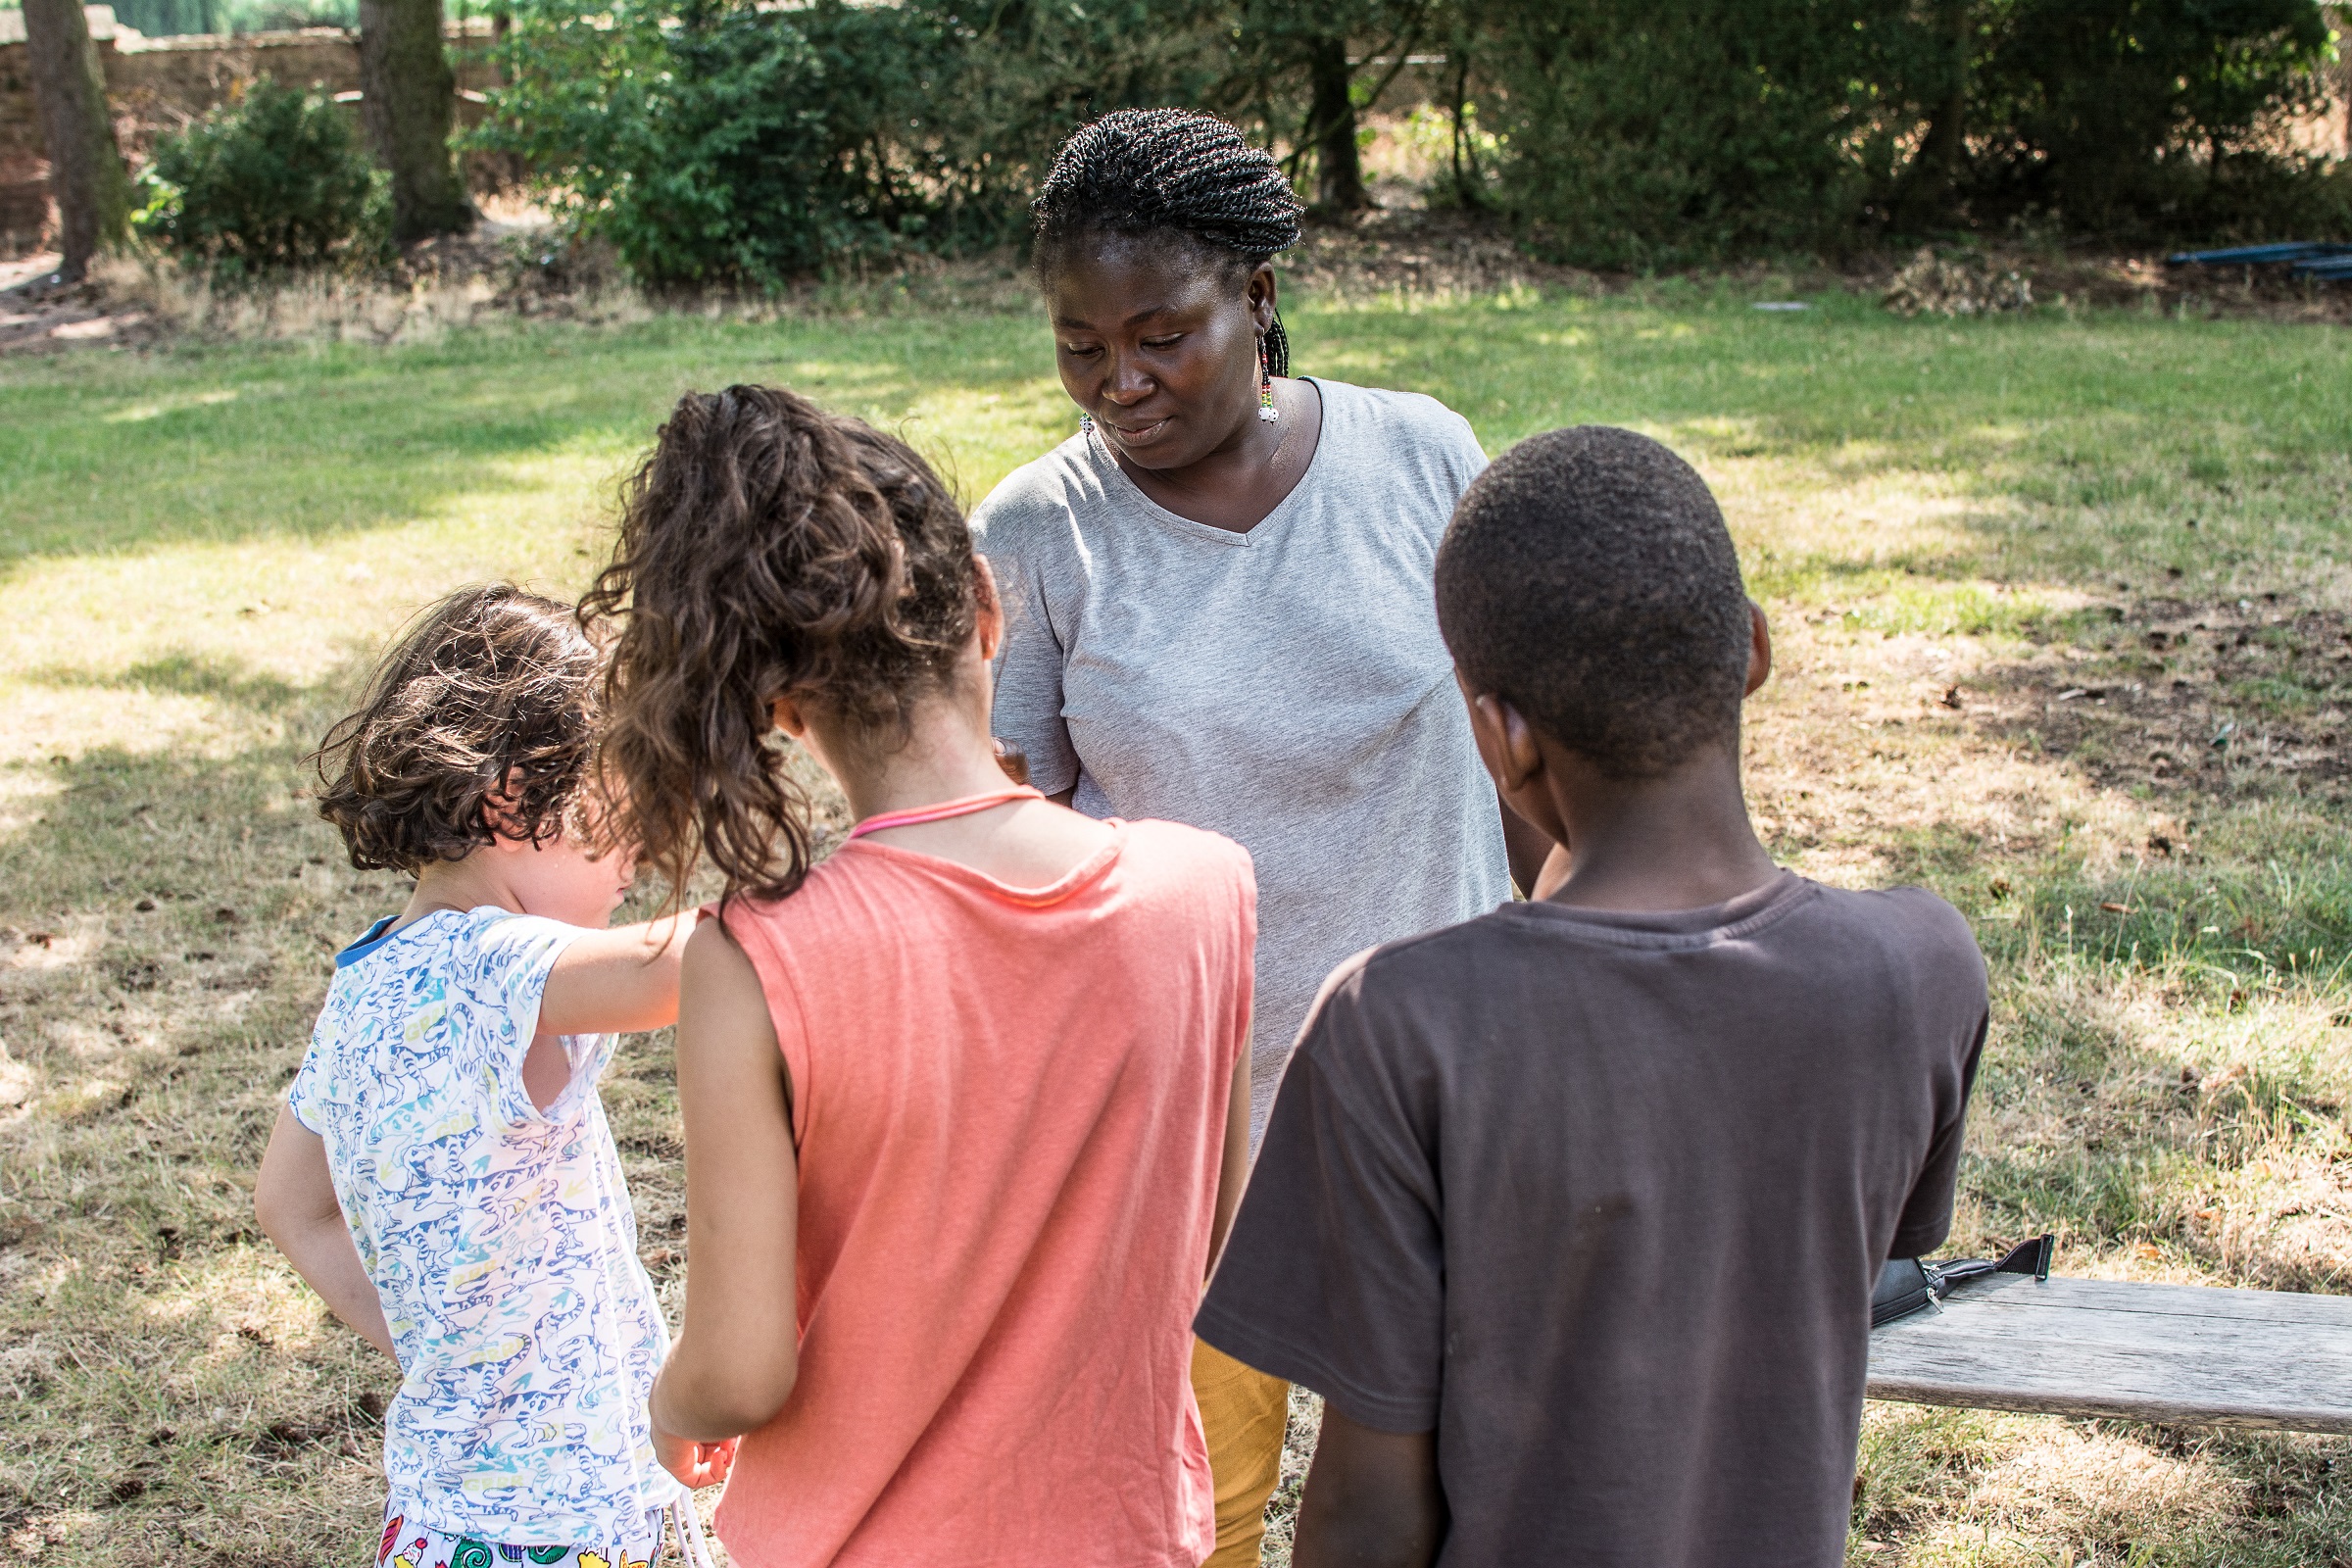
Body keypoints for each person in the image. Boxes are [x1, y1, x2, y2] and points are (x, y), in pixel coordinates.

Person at [1195, 426, 1990, 1568]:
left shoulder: (1400, 1026)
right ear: (1753, 650)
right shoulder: (1922, 967)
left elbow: (1371, 1509)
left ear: (1499, 736)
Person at [969, 107, 1552, 1565]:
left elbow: (1523, 761)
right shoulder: (1038, 533)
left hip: (1443, 1091)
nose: (1122, 379)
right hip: (1186, 1120)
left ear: (1261, 300)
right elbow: (1014, 850)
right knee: (1198, 1513)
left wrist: (1581, 978)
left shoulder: (1423, 457)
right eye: (1079, 344)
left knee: (1464, 1485)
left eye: (1162, 331)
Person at [585, 385, 1256, 1568]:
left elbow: (738, 1370)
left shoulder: (752, 960)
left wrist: (669, 1407)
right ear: (988, 611)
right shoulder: (1207, 892)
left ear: (781, 709)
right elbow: (1214, 1243)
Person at [252, 585, 710, 1568]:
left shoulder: (363, 983)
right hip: (573, 1519)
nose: (640, 849)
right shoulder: (492, 966)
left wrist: (437, 1348)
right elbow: (685, 968)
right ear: (510, 796)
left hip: (440, 1516)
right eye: (620, 807)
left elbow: (289, 1203)